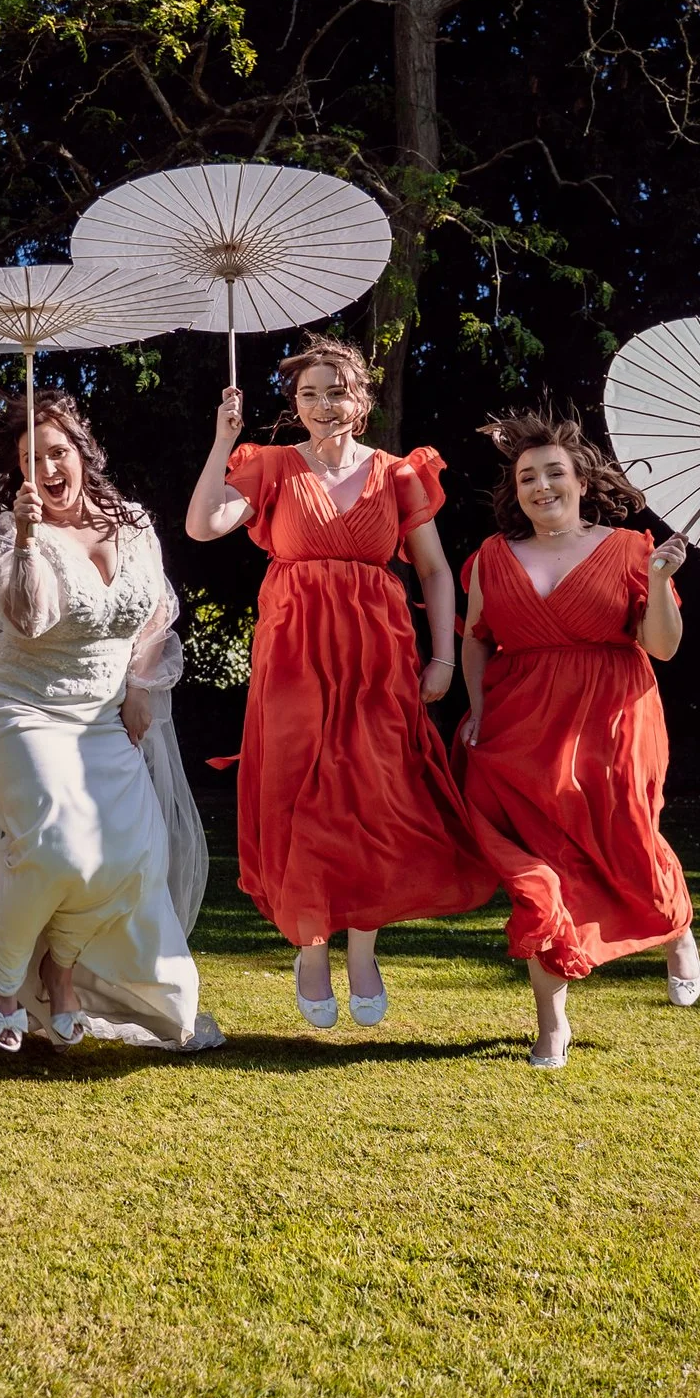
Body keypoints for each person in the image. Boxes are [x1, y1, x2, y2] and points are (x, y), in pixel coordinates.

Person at [185, 336, 494, 1029]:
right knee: (305, 798)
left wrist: (442, 657)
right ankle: (311, 945)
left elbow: (437, 572)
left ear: (363, 399)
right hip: (295, 658)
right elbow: (204, 525)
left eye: (337, 391)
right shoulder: (268, 467)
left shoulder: (398, 474)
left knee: (375, 797)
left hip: (379, 658)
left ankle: (363, 946)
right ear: (294, 405)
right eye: (309, 394)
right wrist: (221, 440)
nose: (325, 405)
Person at [0, 392, 221, 1054]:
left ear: (82, 453)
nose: (47, 467)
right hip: (22, 704)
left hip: (104, 710)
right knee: (51, 843)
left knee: (129, 853)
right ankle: (1, 988)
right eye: (30, 459)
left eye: (56, 452)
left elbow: (155, 611)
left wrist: (138, 683)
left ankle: (62, 969)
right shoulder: (6, 529)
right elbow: (26, 618)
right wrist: (23, 536)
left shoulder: (130, 520)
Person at [456, 409, 700, 1068]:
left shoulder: (631, 548)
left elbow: (663, 647)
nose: (541, 486)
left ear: (582, 480)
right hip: (519, 730)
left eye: (554, 473)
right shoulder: (490, 557)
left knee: (629, 839)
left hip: (613, 721)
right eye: (527, 476)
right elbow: (475, 639)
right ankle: (551, 1025)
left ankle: (675, 925)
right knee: (541, 872)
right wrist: (476, 709)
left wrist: (657, 581)